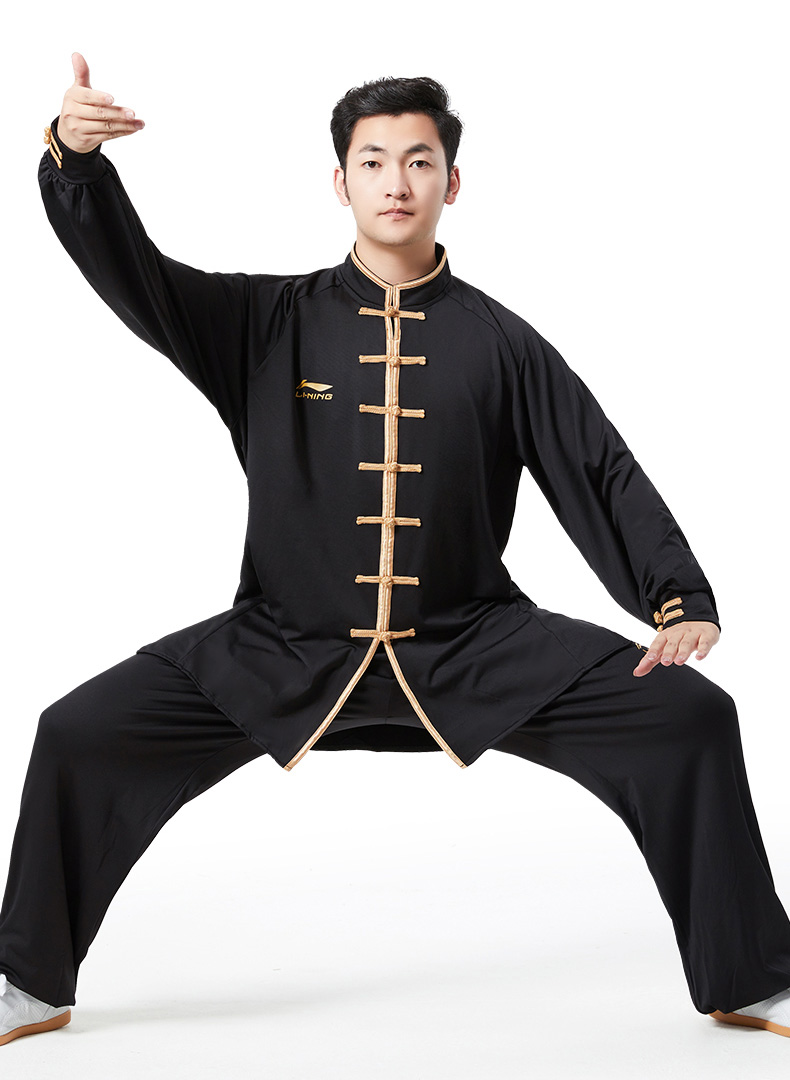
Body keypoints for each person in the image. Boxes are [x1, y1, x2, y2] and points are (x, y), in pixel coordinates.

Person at [1, 50, 788, 1047]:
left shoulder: (502, 343)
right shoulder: (260, 322)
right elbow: (137, 276)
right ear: (340, 182)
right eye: (373, 162)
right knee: (76, 733)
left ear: (452, 183)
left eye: (419, 162)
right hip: (282, 646)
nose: (396, 182)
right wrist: (75, 165)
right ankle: (28, 981)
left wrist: (677, 598)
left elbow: (597, 466)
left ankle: (752, 981)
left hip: (473, 644)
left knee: (691, 718)